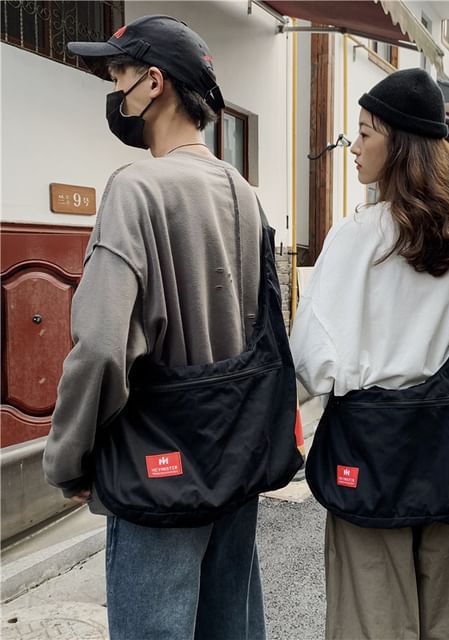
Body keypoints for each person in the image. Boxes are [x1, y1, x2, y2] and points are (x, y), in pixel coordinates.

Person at [42, 15, 293, 639]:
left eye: (119, 74)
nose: (115, 90)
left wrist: (71, 457)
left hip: (157, 467)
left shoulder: (135, 191)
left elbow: (102, 348)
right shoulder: (245, 194)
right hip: (235, 457)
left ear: (154, 83)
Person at [290, 68, 449, 640]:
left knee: (372, 622)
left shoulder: (357, 237)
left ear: (399, 145)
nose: (353, 146)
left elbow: (311, 358)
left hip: (368, 454)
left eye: (365, 133)